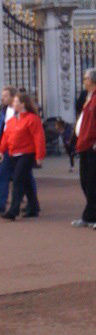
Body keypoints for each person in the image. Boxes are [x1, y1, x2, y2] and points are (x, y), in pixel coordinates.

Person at [0, 92, 46, 220]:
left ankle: (14, 210)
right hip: (14, 154)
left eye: (16, 101)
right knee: (27, 181)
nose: (13, 103)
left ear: (22, 104)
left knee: (18, 180)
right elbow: (6, 137)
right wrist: (1, 151)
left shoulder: (32, 119)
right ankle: (34, 207)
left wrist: (39, 155)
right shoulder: (12, 120)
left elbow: (38, 138)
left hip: (27, 153)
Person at [71, 68, 96, 229]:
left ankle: (90, 216)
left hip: (93, 145)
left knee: (92, 182)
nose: (84, 81)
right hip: (84, 144)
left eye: (86, 78)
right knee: (86, 182)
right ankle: (90, 215)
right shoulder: (88, 97)